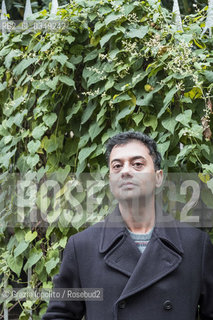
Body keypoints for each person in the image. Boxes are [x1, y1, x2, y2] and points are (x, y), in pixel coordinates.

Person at [42, 131, 213, 320]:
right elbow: (58, 315)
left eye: (137, 164)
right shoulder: (82, 247)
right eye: (117, 166)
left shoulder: (196, 245)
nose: (125, 171)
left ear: (158, 177)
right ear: (110, 180)